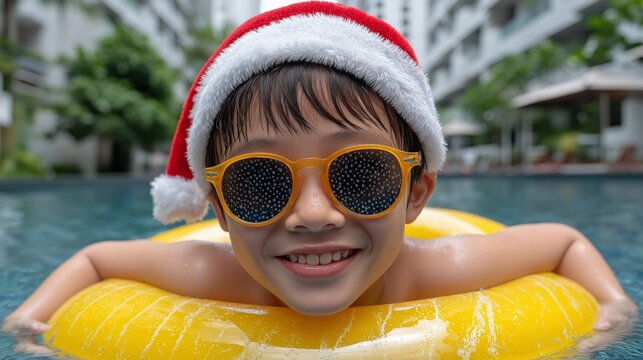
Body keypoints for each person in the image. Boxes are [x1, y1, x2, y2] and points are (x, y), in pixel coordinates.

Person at [3, 1, 637, 356]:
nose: (312, 213)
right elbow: (93, 261)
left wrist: (614, 309)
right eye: (258, 181)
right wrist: (27, 326)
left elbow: (562, 243)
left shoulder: (438, 269)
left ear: (416, 190)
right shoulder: (214, 275)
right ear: (219, 208)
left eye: (359, 173)